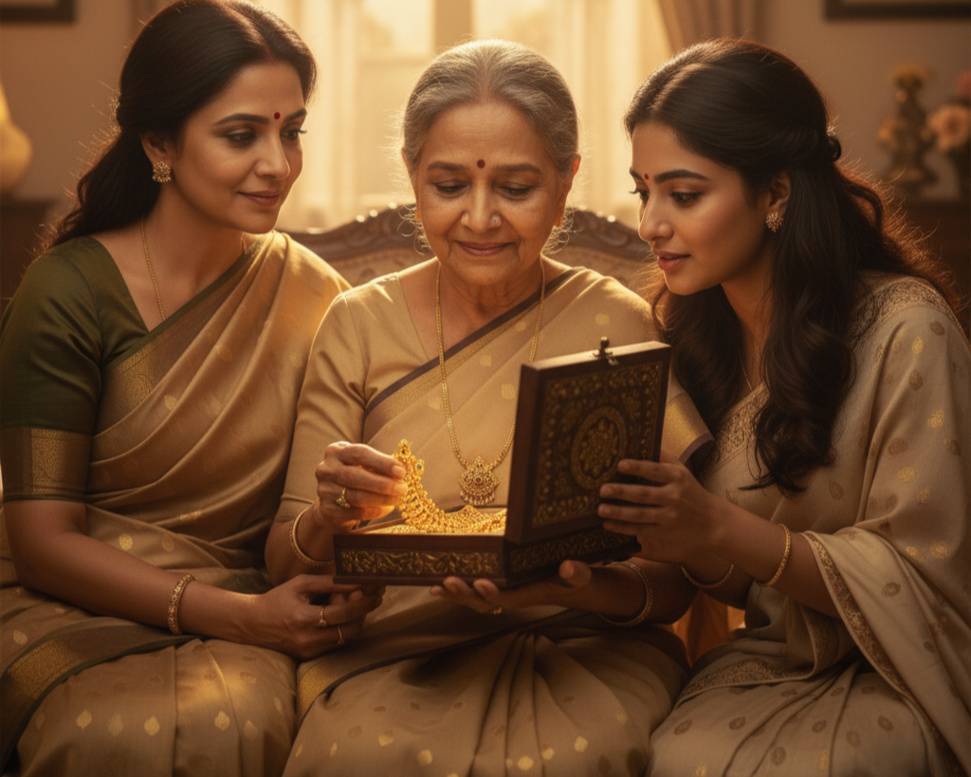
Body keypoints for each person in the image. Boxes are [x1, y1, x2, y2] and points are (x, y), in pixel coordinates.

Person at [264, 39, 712, 777]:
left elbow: (670, 579)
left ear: (567, 182)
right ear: (412, 177)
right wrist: (328, 515)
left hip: (584, 648)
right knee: (359, 755)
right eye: (448, 186)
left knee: (587, 754)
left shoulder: (617, 320)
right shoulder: (356, 322)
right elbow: (285, 555)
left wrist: (577, 584)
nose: (479, 218)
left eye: (516, 187)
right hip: (390, 655)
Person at [0, 2, 381, 775]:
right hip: (71, 603)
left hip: (259, 602)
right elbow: (41, 544)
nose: (277, 162)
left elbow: (323, 507)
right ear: (159, 144)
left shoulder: (313, 294)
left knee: (258, 717)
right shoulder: (69, 291)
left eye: (292, 130)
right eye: (242, 135)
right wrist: (240, 618)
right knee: (117, 731)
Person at [596, 39, 970, 776]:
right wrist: (679, 539)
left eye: (684, 193)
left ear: (774, 195)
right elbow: (739, 587)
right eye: (644, 191)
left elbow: (927, 580)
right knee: (673, 753)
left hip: (904, 671)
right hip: (766, 662)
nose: (650, 224)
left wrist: (716, 525)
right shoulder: (686, 333)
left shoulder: (905, 328)